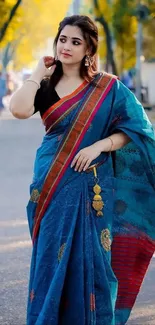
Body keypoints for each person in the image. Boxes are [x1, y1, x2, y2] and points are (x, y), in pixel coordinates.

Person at [10, 15, 155, 325]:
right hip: (49, 183)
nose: (67, 47)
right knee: (51, 254)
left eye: (76, 42)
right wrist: (38, 72)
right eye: (63, 39)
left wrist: (99, 146)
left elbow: (138, 129)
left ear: (89, 48)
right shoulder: (46, 85)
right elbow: (19, 109)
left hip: (92, 186)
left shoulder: (108, 88)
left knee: (93, 261)